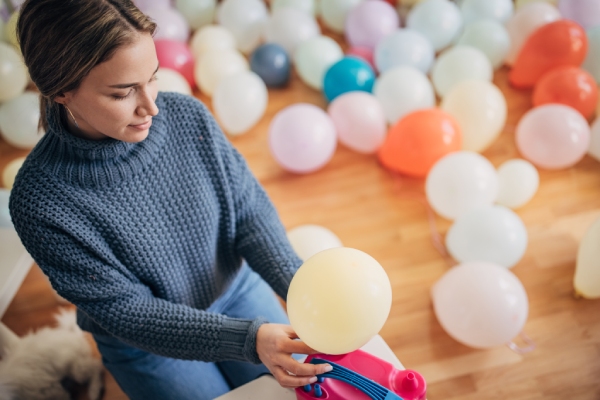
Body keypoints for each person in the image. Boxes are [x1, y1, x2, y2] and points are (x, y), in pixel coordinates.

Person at [9, 0, 331, 399]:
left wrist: (301, 287)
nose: (151, 107)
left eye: (153, 77)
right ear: (61, 90)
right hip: (143, 345)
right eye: (123, 92)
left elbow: (247, 211)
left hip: (234, 291)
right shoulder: (40, 202)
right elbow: (127, 312)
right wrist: (248, 341)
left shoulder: (187, 117)